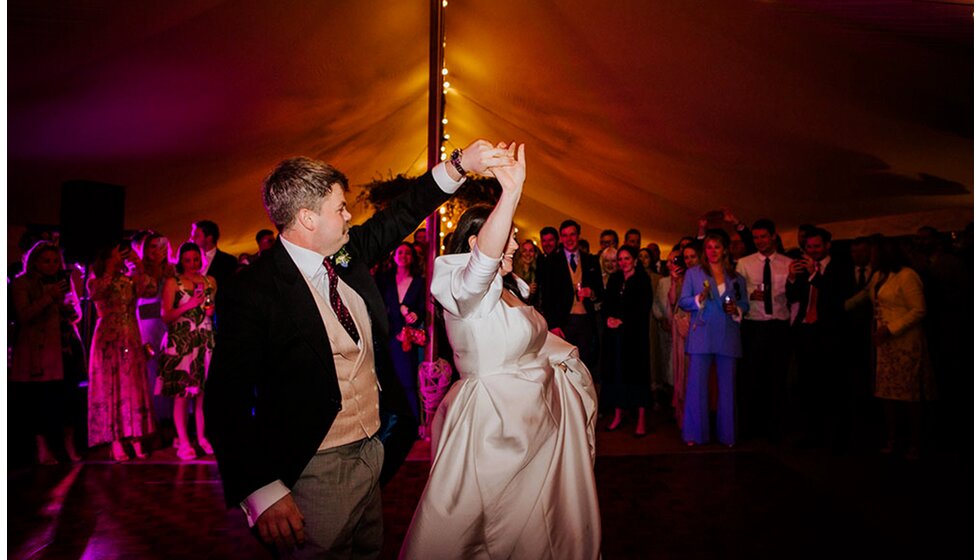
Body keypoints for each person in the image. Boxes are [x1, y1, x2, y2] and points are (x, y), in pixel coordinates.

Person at [205, 140, 512, 557]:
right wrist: (261, 491)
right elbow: (226, 400)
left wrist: (461, 165)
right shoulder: (253, 291)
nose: (350, 215)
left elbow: (402, 213)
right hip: (312, 469)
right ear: (307, 218)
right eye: (340, 208)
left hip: (373, 455)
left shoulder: (345, 256)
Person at [400, 145, 601, 559]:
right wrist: (510, 193)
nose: (514, 244)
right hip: (494, 429)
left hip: (539, 427)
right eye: (508, 236)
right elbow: (481, 270)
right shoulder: (461, 286)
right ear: (477, 241)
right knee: (485, 533)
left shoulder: (513, 290)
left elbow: (537, 342)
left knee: (540, 536)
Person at [846, 237, 936, 459]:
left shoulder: (907, 276)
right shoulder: (879, 276)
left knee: (908, 394)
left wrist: (891, 328)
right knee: (887, 393)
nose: (868, 257)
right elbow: (863, 297)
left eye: (872, 253)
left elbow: (919, 309)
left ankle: (915, 442)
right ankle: (893, 438)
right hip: (884, 343)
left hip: (904, 341)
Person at [10, 241, 85, 464]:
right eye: (46, 261)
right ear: (35, 261)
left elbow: (77, 314)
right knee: (42, 401)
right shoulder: (22, 282)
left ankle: (69, 444)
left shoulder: (63, 281)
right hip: (39, 350)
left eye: (55, 261)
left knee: (69, 400)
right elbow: (23, 315)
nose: (52, 265)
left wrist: (68, 309)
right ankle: (42, 447)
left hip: (66, 347)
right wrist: (49, 297)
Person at [678, 232, 748, 447]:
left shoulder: (736, 278)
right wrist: (697, 300)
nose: (712, 251)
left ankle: (727, 435)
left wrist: (736, 309)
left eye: (717, 247)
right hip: (702, 334)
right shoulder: (694, 274)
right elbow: (683, 301)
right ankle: (694, 434)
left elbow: (745, 304)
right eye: (709, 247)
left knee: (727, 387)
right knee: (696, 386)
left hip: (728, 335)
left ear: (724, 249)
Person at [87, 242, 156, 461]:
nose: (123, 254)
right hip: (109, 337)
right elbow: (97, 293)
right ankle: (115, 439)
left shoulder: (129, 279)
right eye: (119, 251)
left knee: (133, 385)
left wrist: (140, 268)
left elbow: (150, 289)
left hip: (131, 334)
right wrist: (110, 269)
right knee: (112, 385)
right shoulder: (95, 280)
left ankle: (136, 436)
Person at [735, 219, 794, 443]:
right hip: (754, 324)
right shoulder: (744, 263)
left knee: (776, 378)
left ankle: (775, 428)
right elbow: (736, 295)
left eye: (763, 236)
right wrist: (749, 295)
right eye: (756, 237)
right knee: (751, 377)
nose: (759, 241)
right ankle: (750, 426)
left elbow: (794, 295)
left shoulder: (788, 262)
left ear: (773, 236)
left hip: (779, 325)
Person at [159, 242, 217, 460]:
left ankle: (201, 437)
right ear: (181, 261)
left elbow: (211, 311)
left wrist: (207, 307)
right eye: (187, 260)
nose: (192, 264)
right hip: (182, 341)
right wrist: (189, 304)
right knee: (182, 394)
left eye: (195, 259)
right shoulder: (173, 282)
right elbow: (166, 315)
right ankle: (183, 441)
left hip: (204, 339)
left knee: (203, 394)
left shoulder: (209, 281)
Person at [537, 219, 604, 370]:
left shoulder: (591, 261)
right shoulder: (552, 262)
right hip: (563, 321)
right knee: (565, 364)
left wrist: (591, 292)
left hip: (586, 320)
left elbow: (600, 291)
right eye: (565, 236)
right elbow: (547, 297)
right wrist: (553, 324)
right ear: (561, 238)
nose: (569, 239)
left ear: (578, 236)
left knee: (585, 363)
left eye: (572, 235)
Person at [601, 245, 653, 436]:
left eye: (626, 259)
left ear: (635, 260)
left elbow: (643, 308)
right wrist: (609, 318)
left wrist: (623, 321)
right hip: (616, 337)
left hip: (635, 336)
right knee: (618, 375)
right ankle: (618, 414)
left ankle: (641, 419)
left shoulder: (642, 280)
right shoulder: (615, 279)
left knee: (638, 376)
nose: (623, 263)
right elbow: (607, 304)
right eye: (620, 259)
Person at [376, 242, 427, 422]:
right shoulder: (385, 279)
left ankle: (414, 421)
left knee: (409, 380)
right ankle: (393, 420)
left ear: (412, 257)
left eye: (407, 253)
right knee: (388, 379)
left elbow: (423, 308)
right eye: (400, 252)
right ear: (394, 256)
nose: (403, 256)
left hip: (408, 338)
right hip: (389, 335)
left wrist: (416, 314)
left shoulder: (419, 282)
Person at [136, 232, 175, 426]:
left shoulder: (172, 270)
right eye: (151, 246)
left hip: (167, 324)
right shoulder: (138, 271)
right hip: (146, 325)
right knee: (151, 371)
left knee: (169, 370)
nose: (155, 251)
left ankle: (171, 420)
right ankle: (155, 421)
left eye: (159, 247)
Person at [190, 220, 239, 289]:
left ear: (209, 238)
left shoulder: (228, 261)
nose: (193, 239)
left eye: (197, 235)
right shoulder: (188, 259)